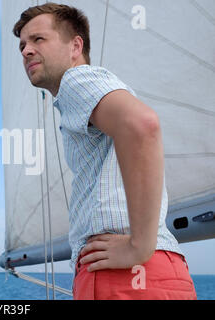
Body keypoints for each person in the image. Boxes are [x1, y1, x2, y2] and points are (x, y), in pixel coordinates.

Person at [13, 3, 197, 300]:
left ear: (75, 46)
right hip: (158, 273)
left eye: (38, 39)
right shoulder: (97, 91)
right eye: (22, 44)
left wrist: (139, 246)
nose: (25, 51)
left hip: (122, 276)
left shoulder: (77, 80)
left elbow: (142, 125)